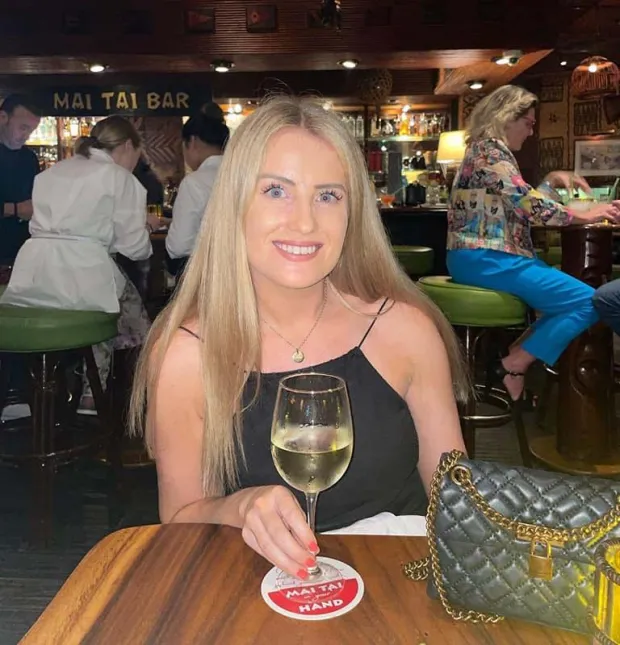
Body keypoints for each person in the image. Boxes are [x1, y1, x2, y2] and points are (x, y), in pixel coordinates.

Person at [129, 96, 469, 580]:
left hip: (401, 587)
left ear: (354, 213)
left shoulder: (406, 329)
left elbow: (456, 497)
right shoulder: (187, 354)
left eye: (328, 195)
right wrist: (239, 508)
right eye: (275, 191)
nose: (305, 222)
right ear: (235, 203)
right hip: (257, 596)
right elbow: (180, 518)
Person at [446, 84, 620, 401]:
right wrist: (586, 214)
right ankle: (515, 363)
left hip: (487, 257)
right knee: (590, 301)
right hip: (488, 258)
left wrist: (553, 180)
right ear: (505, 117)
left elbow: (521, 204)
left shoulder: (486, 153)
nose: (530, 131)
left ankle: (517, 357)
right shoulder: (490, 152)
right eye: (528, 122)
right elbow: (528, 206)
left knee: (579, 301)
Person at [1, 115, 160, 411]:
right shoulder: (120, 178)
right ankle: (122, 397)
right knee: (129, 320)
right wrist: (148, 227)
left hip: (33, 275)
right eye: (136, 156)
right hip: (86, 274)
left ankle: (27, 392)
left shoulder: (50, 173)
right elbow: (135, 248)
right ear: (128, 145)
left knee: (107, 301)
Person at [164, 111, 229, 277]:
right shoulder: (243, 175)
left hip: (208, 276)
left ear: (192, 141)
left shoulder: (195, 183)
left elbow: (178, 246)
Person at [0, 94, 41, 265]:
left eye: (31, 130)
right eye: (23, 128)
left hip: (23, 253)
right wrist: (15, 209)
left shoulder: (29, 158)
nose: (26, 136)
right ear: (3, 117)